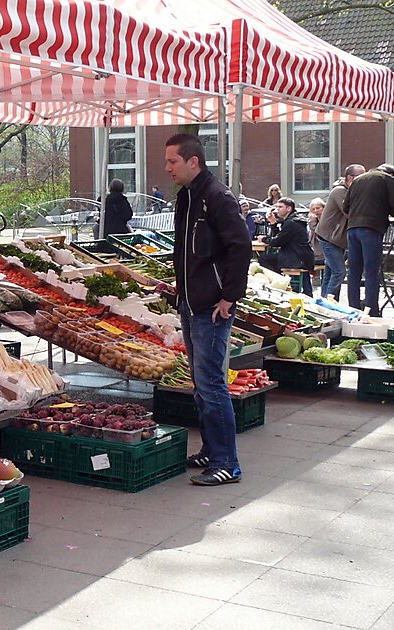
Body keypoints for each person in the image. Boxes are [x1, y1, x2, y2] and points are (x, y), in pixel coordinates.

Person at [164, 133, 251, 486]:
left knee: (212, 385)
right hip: (191, 302)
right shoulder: (186, 197)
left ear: (193, 161)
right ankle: (211, 449)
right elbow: (189, 251)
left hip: (212, 307)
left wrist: (229, 297)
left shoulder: (217, 197)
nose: (167, 167)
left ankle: (227, 463)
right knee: (201, 384)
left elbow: (241, 246)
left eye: (172, 161)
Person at [344, 163, 394, 317]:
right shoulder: (387, 179)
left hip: (352, 229)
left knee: (354, 271)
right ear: (391, 174)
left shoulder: (358, 180)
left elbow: (345, 207)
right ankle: (371, 310)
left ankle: (353, 309)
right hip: (371, 229)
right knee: (371, 271)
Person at [317, 165, 363, 301]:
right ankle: (328, 302)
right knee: (339, 272)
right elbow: (350, 211)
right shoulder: (340, 191)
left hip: (336, 239)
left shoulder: (349, 191)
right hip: (329, 237)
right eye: (361, 177)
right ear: (350, 178)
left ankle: (323, 301)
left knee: (330, 272)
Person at [261, 198, 315, 296]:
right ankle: (299, 289)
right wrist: (273, 223)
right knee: (271, 258)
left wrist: (264, 239)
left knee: (264, 259)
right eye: (276, 207)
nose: (277, 209)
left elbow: (277, 242)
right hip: (303, 256)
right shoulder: (294, 220)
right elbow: (280, 238)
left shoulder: (291, 223)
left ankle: (279, 286)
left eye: (280, 207)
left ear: (289, 208)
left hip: (296, 258)